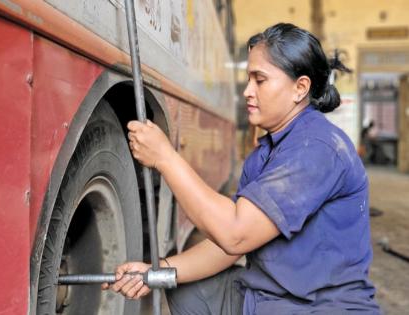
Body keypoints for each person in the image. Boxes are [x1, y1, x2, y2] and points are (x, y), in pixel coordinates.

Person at [103, 23, 381, 314]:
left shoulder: (317, 148)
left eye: (259, 80)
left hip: (318, 307)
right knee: (187, 287)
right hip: (269, 298)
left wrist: (165, 158)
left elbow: (235, 233)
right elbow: (227, 245)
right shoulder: (267, 151)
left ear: (300, 88)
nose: (248, 91)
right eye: (248, 79)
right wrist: (157, 271)